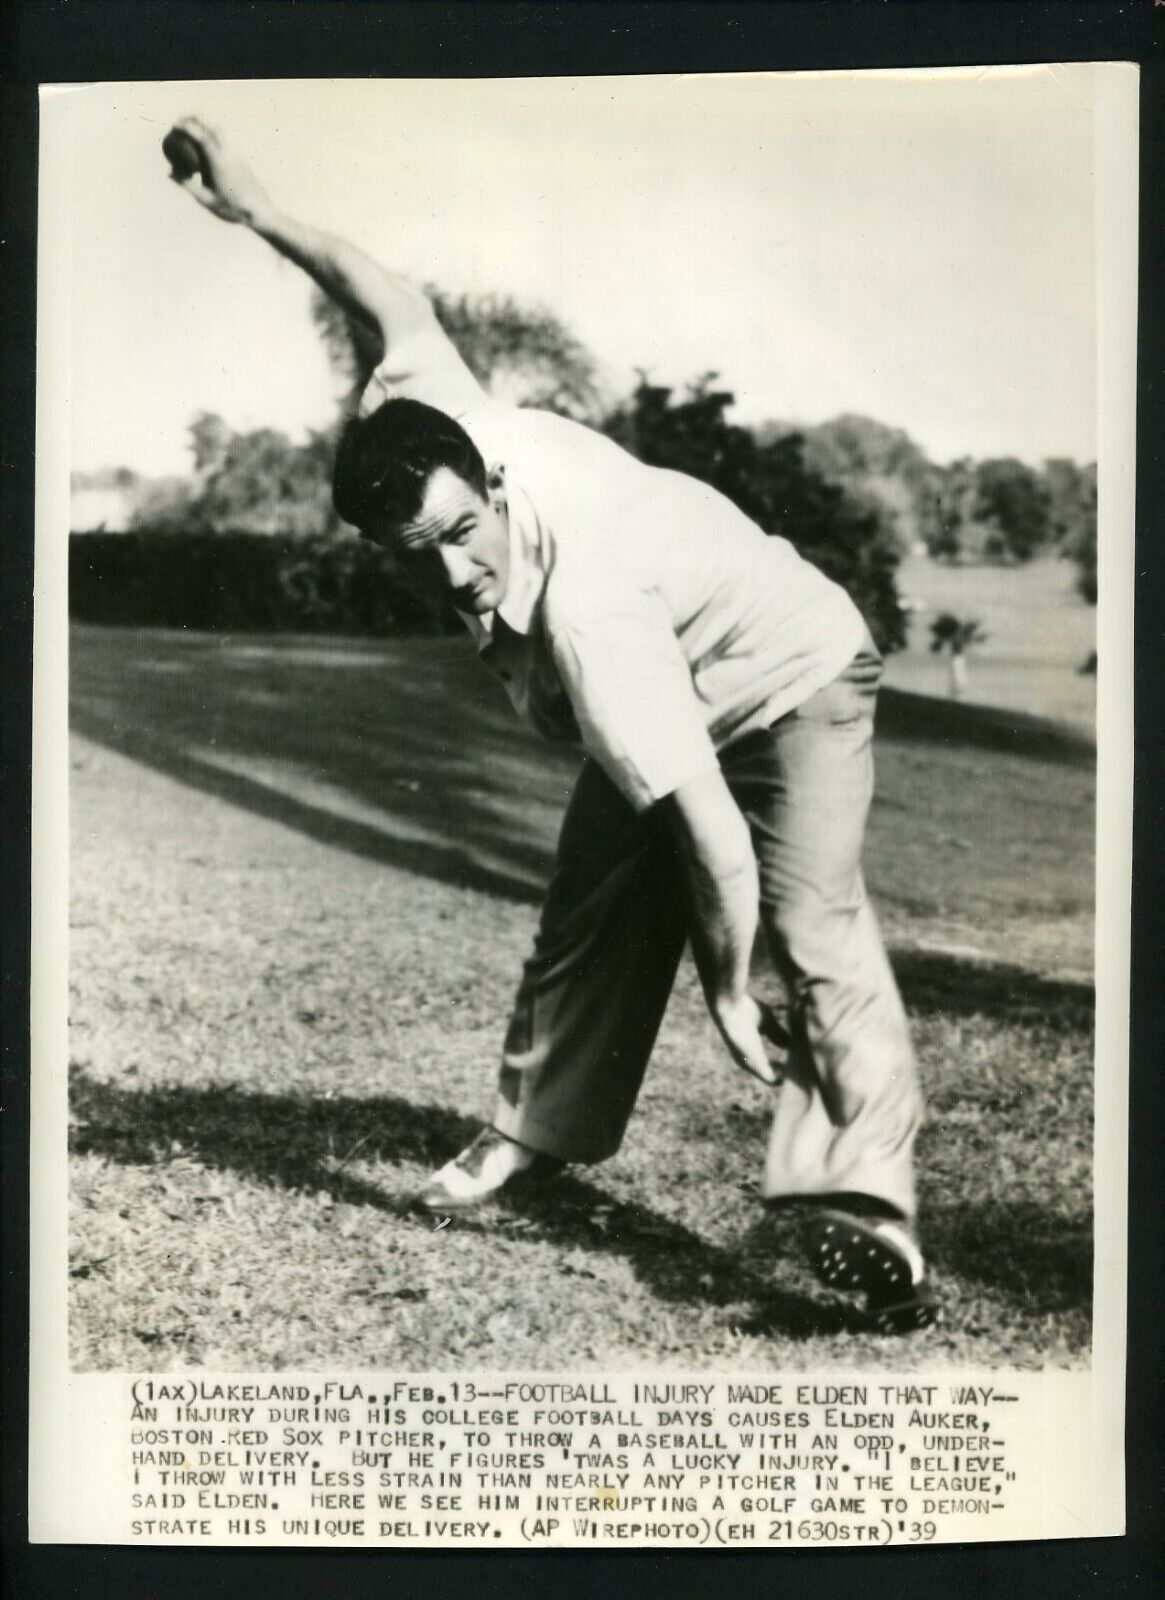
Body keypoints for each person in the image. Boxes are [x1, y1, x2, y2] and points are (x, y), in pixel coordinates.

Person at [168, 116, 934, 1333]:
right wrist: (258, 209)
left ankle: (867, 1200)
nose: (459, 577)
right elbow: (393, 302)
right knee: (587, 904)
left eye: (467, 541)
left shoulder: (587, 606)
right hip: (678, 670)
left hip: (790, 670)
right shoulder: (435, 432)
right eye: (423, 559)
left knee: (807, 922)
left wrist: (728, 994)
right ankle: (532, 1132)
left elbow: (712, 838)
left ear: (493, 486)